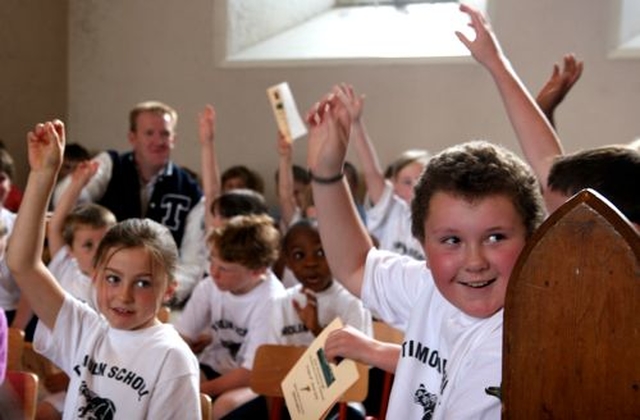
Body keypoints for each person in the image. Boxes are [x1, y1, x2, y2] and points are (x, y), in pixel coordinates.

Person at [304, 4, 549, 418]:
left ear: (533, 237)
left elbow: (552, 172)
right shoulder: (429, 290)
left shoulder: (520, 342)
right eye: (451, 240)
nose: (474, 261)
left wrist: (498, 66)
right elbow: (355, 265)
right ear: (421, 241)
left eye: (496, 237)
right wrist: (327, 173)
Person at [8, 119, 201, 419]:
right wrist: (43, 175)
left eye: (143, 283)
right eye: (113, 278)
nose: (123, 296)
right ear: (96, 276)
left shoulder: (171, 358)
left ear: (169, 289)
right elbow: (22, 264)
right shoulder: (86, 329)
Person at [174, 214, 285, 419]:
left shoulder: (272, 301)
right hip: (218, 364)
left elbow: (251, 373)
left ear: (257, 271)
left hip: (257, 380)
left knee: (223, 406)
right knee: (174, 382)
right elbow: (181, 337)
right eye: (212, 262)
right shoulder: (211, 285)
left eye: (224, 268)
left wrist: (203, 390)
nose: (213, 272)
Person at [53, 100, 202, 246]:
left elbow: (193, 259)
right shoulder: (110, 164)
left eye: (165, 134)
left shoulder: (189, 188)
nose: (158, 141)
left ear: (173, 139)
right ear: (132, 137)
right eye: (149, 133)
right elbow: (64, 203)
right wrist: (77, 183)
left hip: (165, 270)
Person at [37, 159, 117, 419]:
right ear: (71, 250)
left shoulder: (114, 287)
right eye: (88, 245)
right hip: (53, 369)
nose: (97, 252)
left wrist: (71, 377)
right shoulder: (65, 265)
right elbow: (57, 221)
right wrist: (77, 184)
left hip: (90, 379)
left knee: (46, 412)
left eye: (104, 242)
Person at [341, 84, 429, 259]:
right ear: (393, 185)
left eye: (420, 180)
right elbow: (371, 170)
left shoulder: (438, 217)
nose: (414, 187)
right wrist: (356, 124)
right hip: (388, 286)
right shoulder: (390, 208)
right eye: (406, 181)